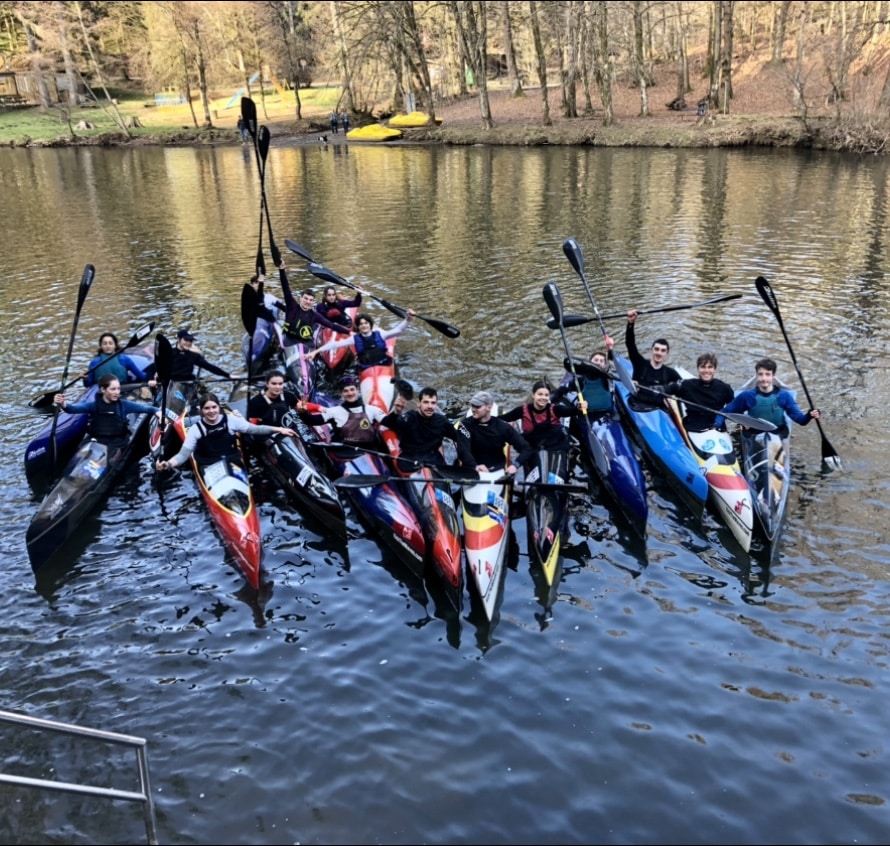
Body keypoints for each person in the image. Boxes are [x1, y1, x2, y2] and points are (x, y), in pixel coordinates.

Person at [155, 393, 297, 472]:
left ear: (219, 407)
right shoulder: (196, 429)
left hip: (231, 460)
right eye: (207, 408)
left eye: (214, 407)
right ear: (201, 411)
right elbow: (183, 455)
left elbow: (255, 429)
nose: (211, 411)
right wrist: (167, 464)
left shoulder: (231, 420)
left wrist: (279, 429)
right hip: (209, 465)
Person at [55, 374, 160, 453]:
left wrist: (159, 413)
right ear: (103, 390)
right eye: (113, 389)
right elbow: (72, 409)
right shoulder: (93, 405)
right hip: (97, 442)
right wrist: (62, 403)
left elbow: (148, 409)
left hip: (117, 444)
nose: (117, 392)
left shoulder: (125, 405)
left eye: (118, 389)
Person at [380, 386, 475, 473]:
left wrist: (469, 461)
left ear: (436, 405)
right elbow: (387, 423)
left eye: (433, 403)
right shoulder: (408, 418)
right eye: (426, 402)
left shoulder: (442, 421)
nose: (430, 406)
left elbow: (459, 437)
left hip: (433, 461)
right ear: (419, 404)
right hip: (409, 461)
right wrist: (396, 412)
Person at [719, 357, 820, 438]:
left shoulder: (784, 396)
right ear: (756, 376)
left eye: (767, 374)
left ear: (773, 376)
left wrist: (810, 415)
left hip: (778, 435)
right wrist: (718, 426)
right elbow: (724, 412)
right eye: (760, 374)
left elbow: (801, 421)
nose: (764, 378)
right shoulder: (747, 396)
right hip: (754, 435)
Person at [456, 390, 535, 476]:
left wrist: (515, 465)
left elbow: (526, 448)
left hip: (497, 471)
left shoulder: (502, 427)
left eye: (477, 407)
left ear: (489, 408)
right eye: (472, 406)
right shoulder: (465, 426)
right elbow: (463, 450)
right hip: (472, 470)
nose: (473, 409)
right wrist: (474, 466)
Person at [275, 262, 350, 349]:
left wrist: (348, 332)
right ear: (300, 299)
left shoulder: (315, 315)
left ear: (313, 302)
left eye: (311, 300)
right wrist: (281, 270)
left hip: (305, 344)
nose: (308, 302)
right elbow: (286, 288)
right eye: (306, 298)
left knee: (318, 327)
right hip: (289, 341)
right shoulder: (292, 306)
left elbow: (331, 325)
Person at [305, 310, 415, 370]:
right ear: (358, 327)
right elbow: (334, 344)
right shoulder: (354, 339)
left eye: (366, 323)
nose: (363, 326)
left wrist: (408, 319)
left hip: (383, 366)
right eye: (361, 324)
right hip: (365, 368)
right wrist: (316, 351)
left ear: (370, 325)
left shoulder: (381, 334)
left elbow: (398, 330)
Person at [296, 374, 386, 446]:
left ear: (358, 390)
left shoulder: (372, 410)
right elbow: (311, 421)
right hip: (344, 454)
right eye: (345, 391)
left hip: (371, 454)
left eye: (352, 389)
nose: (350, 393)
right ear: (341, 393)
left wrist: (397, 411)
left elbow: (390, 422)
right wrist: (302, 412)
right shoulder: (334, 412)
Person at [499, 380, 580, 453]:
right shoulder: (522, 410)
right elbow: (504, 418)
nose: (543, 398)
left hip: (555, 448)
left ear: (548, 397)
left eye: (546, 395)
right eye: (540, 394)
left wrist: (579, 407)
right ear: (533, 395)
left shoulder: (555, 409)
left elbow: (572, 411)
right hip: (532, 448)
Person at [664, 352, 735, 432]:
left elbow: (736, 407)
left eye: (710, 367)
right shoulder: (687, 385)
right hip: (694, 428)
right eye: (703, 367)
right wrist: (660, 389)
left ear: (714, 369)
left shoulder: (724, 388)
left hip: (717, 427)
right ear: (698, 369)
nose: (706, 371)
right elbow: (667, 390)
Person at [625, 310, 681, 389]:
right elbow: (630, 344)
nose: (659, 353)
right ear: (651, 350)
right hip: (637, 400)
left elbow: (684, 387)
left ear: (667, 353)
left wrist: (672, 398)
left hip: (657, 401)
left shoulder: (670, 373)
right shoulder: (639, 363)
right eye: (656, 349)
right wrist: (631, 323)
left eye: (663, 350)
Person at [83, 332, 155, 388]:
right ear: (101, 346)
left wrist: (85, 380)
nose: (108, 346)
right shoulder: (124, 359)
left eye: (110, 343)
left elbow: (88, 384)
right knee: (153, 366)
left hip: (105, 390)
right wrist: (151, 377)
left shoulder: (94, 362)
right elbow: (142, 376)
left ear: (115, 345)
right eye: (105, 344)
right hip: (122, 389)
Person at [169, 329, 237, 382]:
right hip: (171, 383)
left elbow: (210, 367)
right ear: (178, 339)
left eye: (191, 340)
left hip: (187, 383)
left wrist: (228, 375)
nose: (188, 343)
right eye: (186, 340)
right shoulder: (169, 353)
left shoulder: (193, 356)